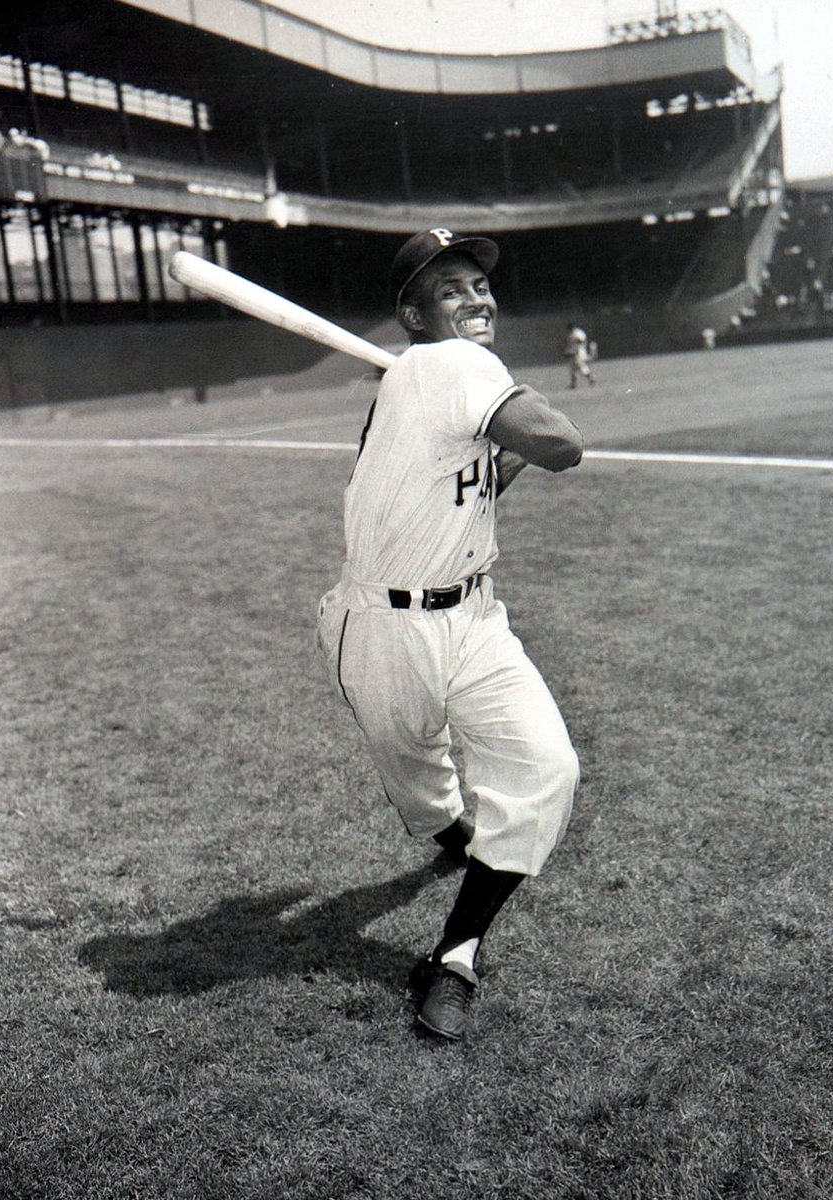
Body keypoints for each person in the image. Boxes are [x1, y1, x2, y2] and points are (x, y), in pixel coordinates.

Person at [316, 228, 583, 1041]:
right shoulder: (448, 366)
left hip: (472, 618)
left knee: (544, 770)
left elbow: (470, 480)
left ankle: (456, 953)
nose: (476, 299)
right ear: (413, 314)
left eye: (478, 285)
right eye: (451, 290)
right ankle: (445, 832)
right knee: (419, 782)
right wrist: (520, 408)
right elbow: (562, 444)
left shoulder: (418, 381)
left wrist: (505, 440)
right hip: (380, 628)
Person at [564, 321, 596, 388]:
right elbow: (572, 344)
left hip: (578, 353)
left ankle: (591, 379)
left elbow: (581, 341)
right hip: (574, 353)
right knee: (572, 369)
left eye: (569, 328)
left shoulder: (577, 333)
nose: (569, 330)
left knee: (581, 368)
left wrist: (575, 348)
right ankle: (573, 384)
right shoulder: (572, 334)